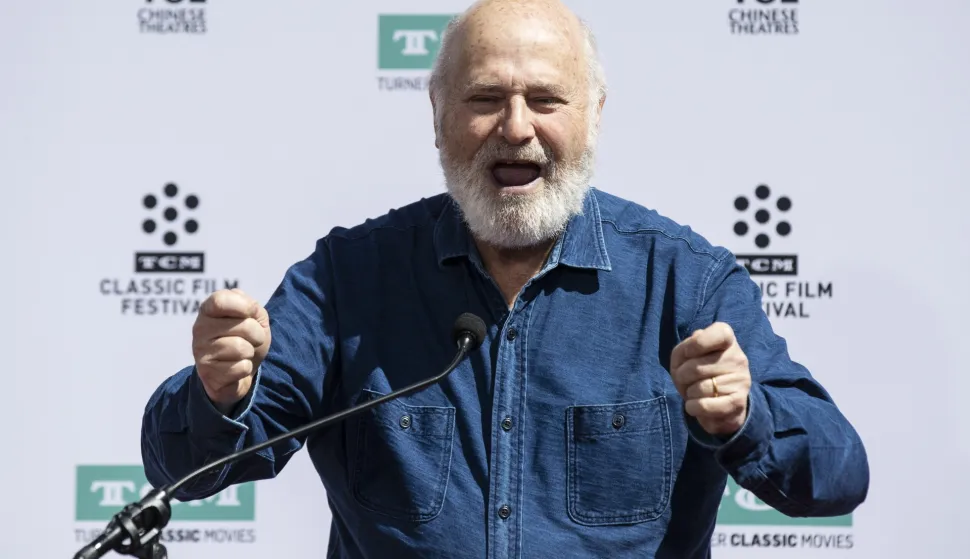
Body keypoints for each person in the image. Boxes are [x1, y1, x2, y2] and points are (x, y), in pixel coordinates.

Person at [140, 0, 869, 557]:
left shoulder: (687, 281)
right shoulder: (348, 280)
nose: (515, 127)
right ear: (438, 115)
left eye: (546, 100)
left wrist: (744, 419)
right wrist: (217, 393)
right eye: (485, 98)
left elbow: (838, 473)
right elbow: (187, 469)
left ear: (593, 117)